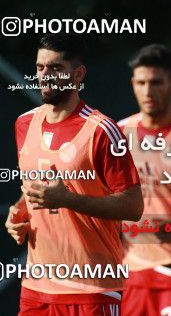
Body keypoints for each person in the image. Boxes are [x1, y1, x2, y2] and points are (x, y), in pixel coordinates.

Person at [4, 33, 143, 315]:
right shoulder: (24, 123)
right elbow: (35, 183)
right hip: (36, 289)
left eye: (55, 68)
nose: (45, 76)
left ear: (78, 74)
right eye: (40, 67)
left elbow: (133, 205)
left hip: (92, 290)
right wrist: (19, 209)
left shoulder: (102, 130)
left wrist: (68, 199)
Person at [118, 44, 171, 316]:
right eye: (141, 83)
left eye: (156, 82)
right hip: (129, 275)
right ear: (132, 84)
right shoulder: (117, 135)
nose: (148, 91)